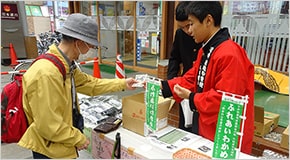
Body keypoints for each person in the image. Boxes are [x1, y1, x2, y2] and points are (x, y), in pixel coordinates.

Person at [18, 13, 137, 159]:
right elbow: (48, 125)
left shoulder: (65, 65)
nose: (90, 50)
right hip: (49, 150)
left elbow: (90, 84)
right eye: (91, 46)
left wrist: (123, 83)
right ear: (79, 42)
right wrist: (78, 138)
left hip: (60, 143)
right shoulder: (46, 73)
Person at [161, 1, 254, 154]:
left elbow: (225, 99)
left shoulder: (229, 54)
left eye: (191, 24)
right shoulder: (207, 50)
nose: (189, 30)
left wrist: (191, 97)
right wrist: (163, 86)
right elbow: (192, 78)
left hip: (224, 134)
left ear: (208, 21)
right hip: (208, 127)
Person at [167, 1, 202, 132]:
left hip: (200, 89)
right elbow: (174, 58)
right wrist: (171, 81)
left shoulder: (205, 36)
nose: (188, 31)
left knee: (198, 127)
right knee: (184, 124)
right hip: (185, 84)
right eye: (183, 27)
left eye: (189, 25)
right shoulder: (180, 34)